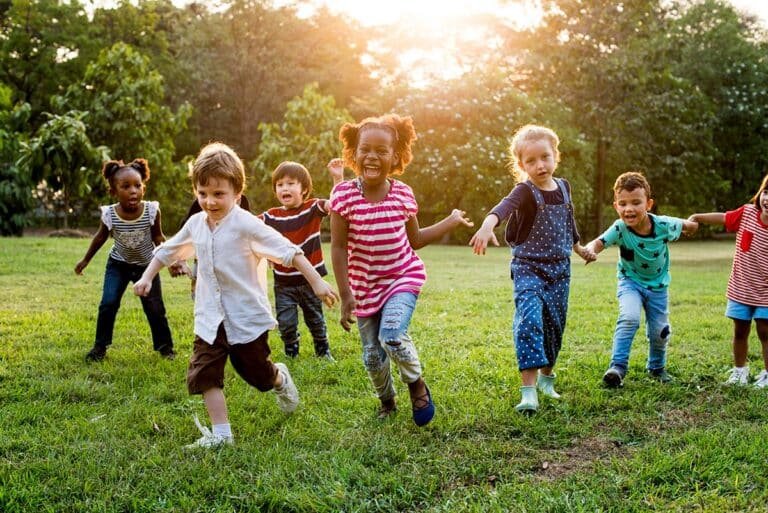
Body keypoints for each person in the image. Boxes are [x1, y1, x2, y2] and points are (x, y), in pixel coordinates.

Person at [133, 142, 338, 449]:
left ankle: (279, 378)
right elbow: (169, 250)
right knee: (205, 372)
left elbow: (289, 252)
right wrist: (147, 277)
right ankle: (222, 435)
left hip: (244, 318)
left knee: (257, 375)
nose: (209, 201)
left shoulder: (247, 224)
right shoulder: (196, 224)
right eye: (202, 193)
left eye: (219, 194)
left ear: (237, 194)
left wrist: (318, 284)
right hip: (210, 317)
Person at [329, 114, 473, 427]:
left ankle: (416, 384)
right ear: (354, 153)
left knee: (392, 336)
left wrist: (450, 221)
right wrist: (345, 293)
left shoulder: (403, 194)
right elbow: (338, 248)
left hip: (401, 277)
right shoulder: (342, 197)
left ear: (395, 157)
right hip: (363, 286)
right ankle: (387, 401)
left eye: (382, 151)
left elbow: (416, 240)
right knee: (372, 356)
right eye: (365, 149)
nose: (372, 156)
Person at [470, 124, 595, 413]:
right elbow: (503, 207)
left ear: (555, 156)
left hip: (560, 271)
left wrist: (579, 248)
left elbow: (569, 221)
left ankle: (546, 381)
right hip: (528, 268)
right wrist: (488, 224)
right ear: (522, 165)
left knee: (554, 325)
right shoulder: (524, 191)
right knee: (529, 320)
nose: (540, 165)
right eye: (531, 161)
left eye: (545, 157)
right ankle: (528, 392)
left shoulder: (564, 187)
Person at [584, 171, 698, 388]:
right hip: (630, 283)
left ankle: (656, 368)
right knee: (629, 318)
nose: (629, 209)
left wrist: (692, 226)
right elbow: (598, 242)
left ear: (649, 204)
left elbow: (688, 225)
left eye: (636, 202)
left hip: (658, 287)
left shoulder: (663, 225)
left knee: (660, 332)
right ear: (616, 206)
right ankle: (617, 367)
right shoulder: (619, 228)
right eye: (623, 203)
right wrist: (591, 250)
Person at [75, 158, 177, 362]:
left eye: (138, 186)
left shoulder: (151, 211)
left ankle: (165, 348)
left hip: (147, 267)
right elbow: (100, 237)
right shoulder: (110, 214)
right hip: (118, 265)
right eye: (126, 186)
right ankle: (100, 347)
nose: (133, 191)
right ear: (113, 192)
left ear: (143, 188)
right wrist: (85, 260)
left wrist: (171, 261)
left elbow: (158, 237)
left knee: (155, 307)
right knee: (108, 303)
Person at [688, 173, 768, 387]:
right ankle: (740, 371)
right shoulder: (748, 213)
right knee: (740, 330)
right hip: (741, 288)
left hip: (766, 293)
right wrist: (698, 217)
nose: (767, 199)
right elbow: (724, 217)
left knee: (765, 332)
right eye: (766, 192)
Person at [259, 160, 343, 360]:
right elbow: (248, 226)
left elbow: (336, 205)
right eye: (280, 185)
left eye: (290, 183)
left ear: (304, 189)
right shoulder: (272, 216)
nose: (284, 188)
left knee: (315, 319)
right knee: (286, 322)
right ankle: (291, 352)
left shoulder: (312, 208)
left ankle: (323, 351)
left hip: (311, 282)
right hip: (284, 283)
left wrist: (337, 178)